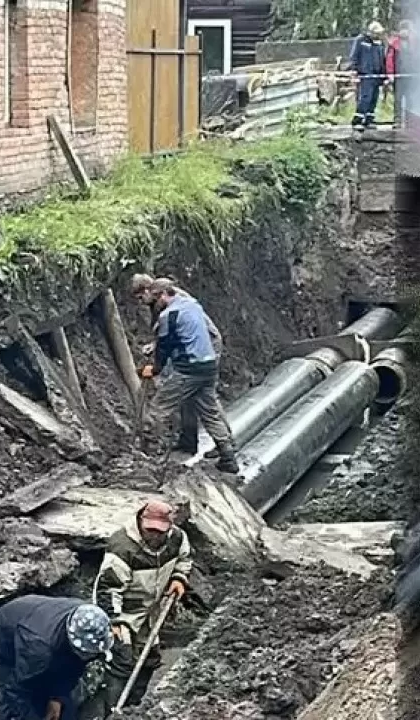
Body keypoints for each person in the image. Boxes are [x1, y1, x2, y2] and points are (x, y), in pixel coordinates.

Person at [80, 500, 192, 718]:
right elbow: (108, 589)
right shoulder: (123, 547)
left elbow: (185, 559)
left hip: (151, 611)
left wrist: (179, 577)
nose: (154, 535)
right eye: (149, 529)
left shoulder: (177, 539)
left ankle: (134, 707)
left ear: (169, 527)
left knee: (148, 659)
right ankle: (112, 711)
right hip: (125, 612)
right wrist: (114, 621)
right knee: (121, 660)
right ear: (141, 520)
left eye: (160, 531)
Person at [141, 278, 240, 473]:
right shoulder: (192, 305)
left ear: (162, 295)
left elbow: (165, 346)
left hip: (189, 369)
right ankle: (228, 456)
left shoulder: (169, 315)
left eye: (155, 298)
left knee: (158, 409)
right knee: (209, 411)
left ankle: (152, 456)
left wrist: (154, 369)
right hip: (208, 366)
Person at [130, 274, 224, 457]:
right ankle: (189, 441)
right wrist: (156, 344)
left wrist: (157, 366)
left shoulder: (174, 301)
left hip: (205, 347)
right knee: (188, 396)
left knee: (205, 399)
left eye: (141, 297)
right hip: (189, 350)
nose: (141, 302)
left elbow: (186, 329)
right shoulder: (161, 301)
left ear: (150, 290)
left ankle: (224, 445)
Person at [0, 596, 113, 720]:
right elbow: (17, 691)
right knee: (0, 706)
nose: (90, 657)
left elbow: (74, 665)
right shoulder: (39, 647)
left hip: (34, 628)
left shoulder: (89, 617)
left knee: (61, 706)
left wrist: (57, 697)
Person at [348, 21, 387, 131]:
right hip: (365, 73)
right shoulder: (361, 40)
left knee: (374, 98)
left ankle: (369, 119)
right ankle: (358, 120)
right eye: (376, 33)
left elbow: (382, 59)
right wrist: (354, 70)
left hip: (377, 74)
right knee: (365, 97)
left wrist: (384, 75)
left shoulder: (380, 43)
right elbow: (354, 55)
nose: (378, 35)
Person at [385, 20, 413, 127]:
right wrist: (390, 73)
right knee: (398, 98)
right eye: (404, 29)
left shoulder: (413, 43)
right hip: (398, 76)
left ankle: (410, 120)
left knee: (410, 99)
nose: (405, 32)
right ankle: (397, 119)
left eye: (407, 30)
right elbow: (389, 60)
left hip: (410, 76)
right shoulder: (394, 44)